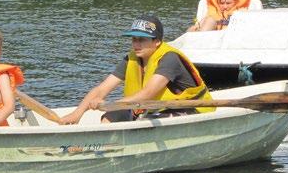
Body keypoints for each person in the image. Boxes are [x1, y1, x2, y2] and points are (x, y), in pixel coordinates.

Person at [60, 15, 212, 125]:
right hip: (154, 109)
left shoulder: (169, 58)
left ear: (157, 41)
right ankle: (106, 149)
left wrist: (111, 103)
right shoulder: (132, 58)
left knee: (144, 122)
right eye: (134, 39)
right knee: (110, 117)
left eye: (142, 40)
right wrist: (77, 113)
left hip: (192, 109)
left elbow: (148, 94)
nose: (136, 44)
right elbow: (101, 89)